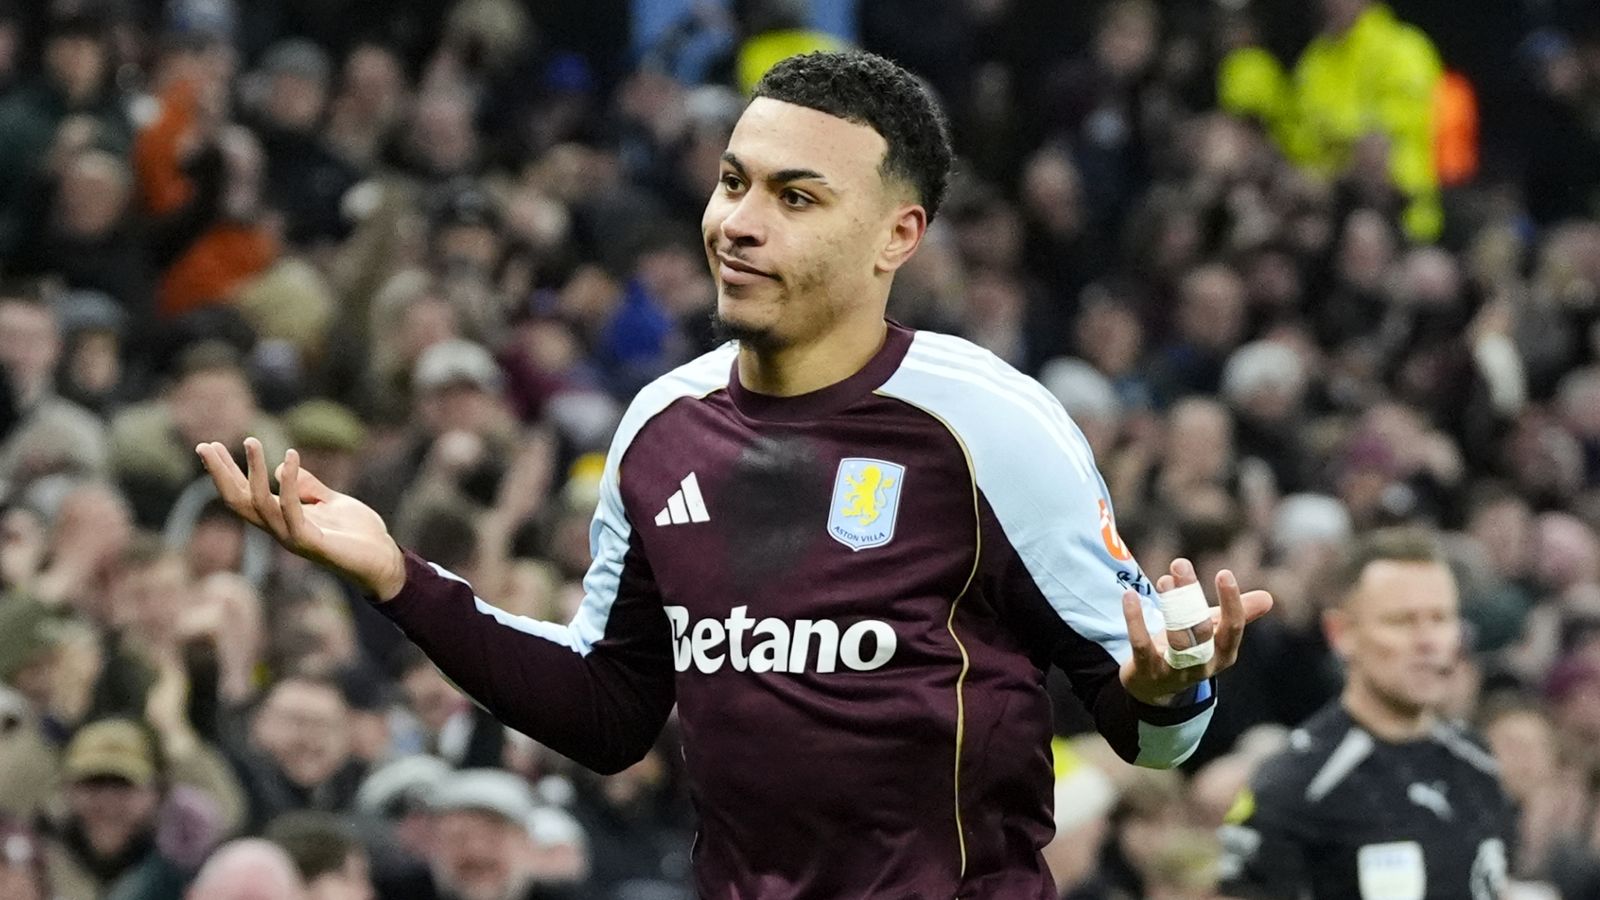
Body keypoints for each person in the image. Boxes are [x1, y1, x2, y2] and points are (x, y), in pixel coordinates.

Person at [197, 50, 1272, 898]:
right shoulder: (661, 428)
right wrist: (399, 579)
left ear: (897, 236)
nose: (739, 224)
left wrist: (1168, 687)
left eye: (796, 198)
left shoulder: (992, 427)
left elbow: (1156, 738)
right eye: (732, 182)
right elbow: (610, 711)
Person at [1217, 528, 1512, 899]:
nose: (1427, 641)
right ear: (1341, 633)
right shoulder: (1294, 785)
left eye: (1440, 619)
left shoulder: (1477, 763)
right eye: (1402, 621)